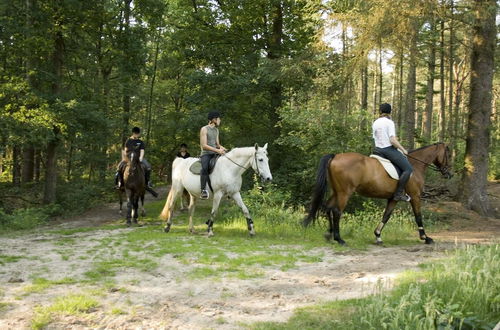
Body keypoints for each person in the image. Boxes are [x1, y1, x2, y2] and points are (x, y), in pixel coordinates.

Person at [372, 103, 413, 202]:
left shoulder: (375, 122)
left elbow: (375, 137)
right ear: (389, 112)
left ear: (380, 111)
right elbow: (392, 140)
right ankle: (398, 194)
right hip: (387, 150)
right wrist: (403, 150)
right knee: (408, 169)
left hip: (377, 150)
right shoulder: (389, 122)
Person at [199, 111, 226, 199]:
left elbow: (217, 144)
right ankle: (203, 190)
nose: (220, 120)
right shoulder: (204, 129)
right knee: (205, 168)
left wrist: (223, 148)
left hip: (215, 153)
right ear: (214, 119)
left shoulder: (216, 130)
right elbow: (204, 146)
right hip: (206, 154)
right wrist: (218, 151)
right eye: (218, 118)